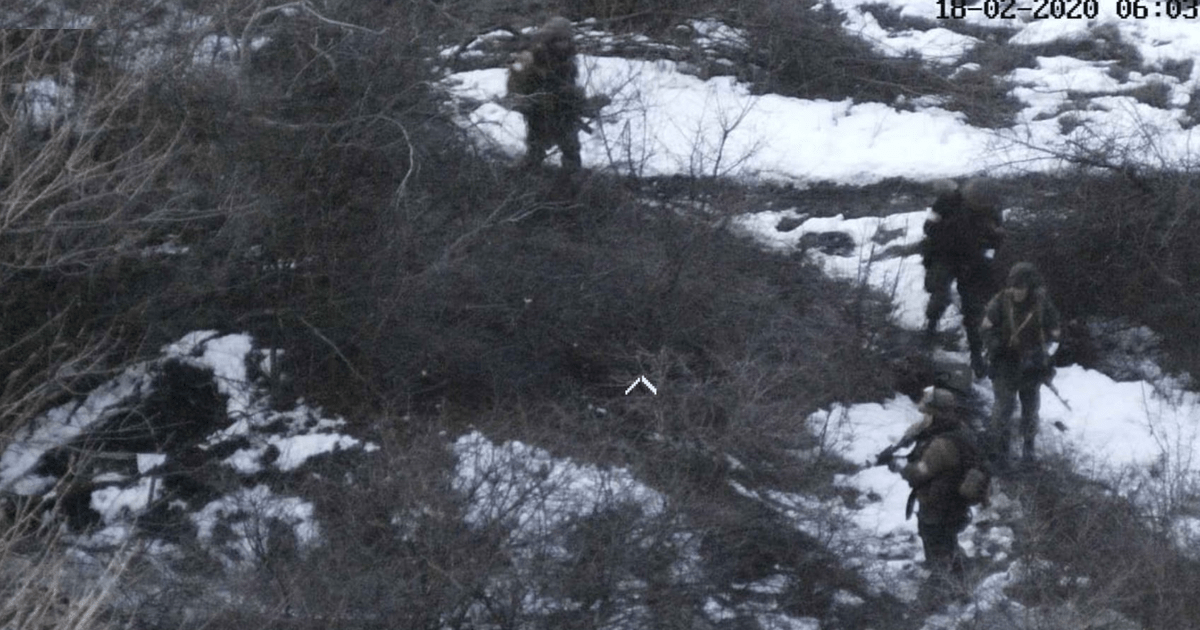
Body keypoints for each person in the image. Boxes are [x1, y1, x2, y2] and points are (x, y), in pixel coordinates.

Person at [888, 387, 989, 580]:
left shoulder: (941, 444)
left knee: (936, 548)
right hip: (954, 502)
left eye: (928, 414)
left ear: (937, 414)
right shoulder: (959, 430)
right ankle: (962, 576)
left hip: (939, 506)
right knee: (948, 542)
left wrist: (899, 466)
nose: (924, 418)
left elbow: (918, 474)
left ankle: (942, 589)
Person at [921, 178, 1006, 379]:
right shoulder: (946, 201)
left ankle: (976, 354)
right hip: (944, 255)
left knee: (974, 307)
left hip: (972, 261)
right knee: (939, 294)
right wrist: (949, 232)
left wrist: (986, 257)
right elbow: (929, 227)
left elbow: (996, 242)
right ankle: (930, 329)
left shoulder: (991, 210)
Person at [980, 262, 1062, 466]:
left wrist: (1044, 356)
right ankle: (999, 451)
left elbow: (1056, 334)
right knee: (1003, 407)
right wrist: (996, 344)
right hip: (1005, 363)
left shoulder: (1042, 305)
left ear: (1030, 287)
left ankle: (1028, 450)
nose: (1016, 291)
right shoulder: (1000, 302)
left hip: (1032, 367)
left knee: (1031, 408)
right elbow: (985, 329)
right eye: (1013, 287)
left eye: (1021, 287)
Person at [505, 16, 584, 173]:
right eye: (558, 40)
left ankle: (573, 181)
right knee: (536, 146)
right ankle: (527, 177)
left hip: (564, 109)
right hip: (540, 109)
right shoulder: (537, 57)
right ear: (550, 40)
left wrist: (575, 96)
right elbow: (517, 86)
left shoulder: (568, 59)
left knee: (571, 148)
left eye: (566, 39)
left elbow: (569, 83)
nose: (563, 43)